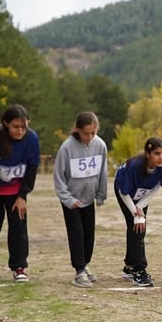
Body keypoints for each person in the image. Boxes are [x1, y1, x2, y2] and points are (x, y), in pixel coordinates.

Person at [0, 104, 40, 282]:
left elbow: (32, 168)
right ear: (5, 124)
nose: (20, 131)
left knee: (18, 229)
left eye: (23, 127)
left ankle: (19, 267)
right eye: (15, 127)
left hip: (15, 192)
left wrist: (22, 196)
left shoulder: (32, 139)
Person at [53, 111, 108, 288]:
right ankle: (79, 270)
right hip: (72, 201)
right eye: (86, 133)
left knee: (89, 234)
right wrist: (67, 199)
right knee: (76, 233)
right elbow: (59, 177)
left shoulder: (99, 145)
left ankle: (85, 264)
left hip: (89, 198)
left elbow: (102, 172)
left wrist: (101, 194)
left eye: (94, 132)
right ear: (77, 129)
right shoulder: (67, 148)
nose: (90, 137)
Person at [114, 137, 162, 287]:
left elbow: (157, 186)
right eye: (157, 154)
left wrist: (141, 207)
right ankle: (139, 271)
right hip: (125, 193)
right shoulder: (134, 167)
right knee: (137, 229)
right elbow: (123, 192)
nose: (161, 158)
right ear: (147, 153)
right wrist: (135, 213)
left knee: (137, 228)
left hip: (142, 196)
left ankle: (129, 266)